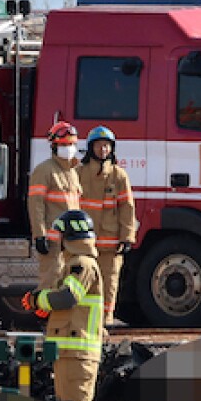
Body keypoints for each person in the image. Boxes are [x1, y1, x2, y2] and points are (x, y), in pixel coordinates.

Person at [22, 209, 107, 401]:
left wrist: (40, 299)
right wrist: (42, 306)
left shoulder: (82, 264)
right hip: (67, 348)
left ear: (68, 236)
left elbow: (68, 297)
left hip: (79, 348)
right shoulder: (73, 263)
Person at [77, 126, 139, 322]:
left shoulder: (119, 176)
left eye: (106, 146)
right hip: (83, 244)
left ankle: (105, 321)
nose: (103, 150)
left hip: (110, 244)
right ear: (90, 148)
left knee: (109, 283)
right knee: (81, 281)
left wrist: (127, 237)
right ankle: (82, 321)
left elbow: (127, 207)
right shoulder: (78, 173)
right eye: (98, 145)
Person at [27, 120, 84, 295]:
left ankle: (61, 321)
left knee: (67, 284)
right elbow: (36, 204)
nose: (69, 148)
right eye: (64, 145)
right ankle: (45, 320)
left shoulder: (73, 172)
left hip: (72, 240)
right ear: (54, 146)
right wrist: (39, 235)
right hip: (52, 241)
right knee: (49, 282)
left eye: (72, 144)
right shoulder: (44, 170)